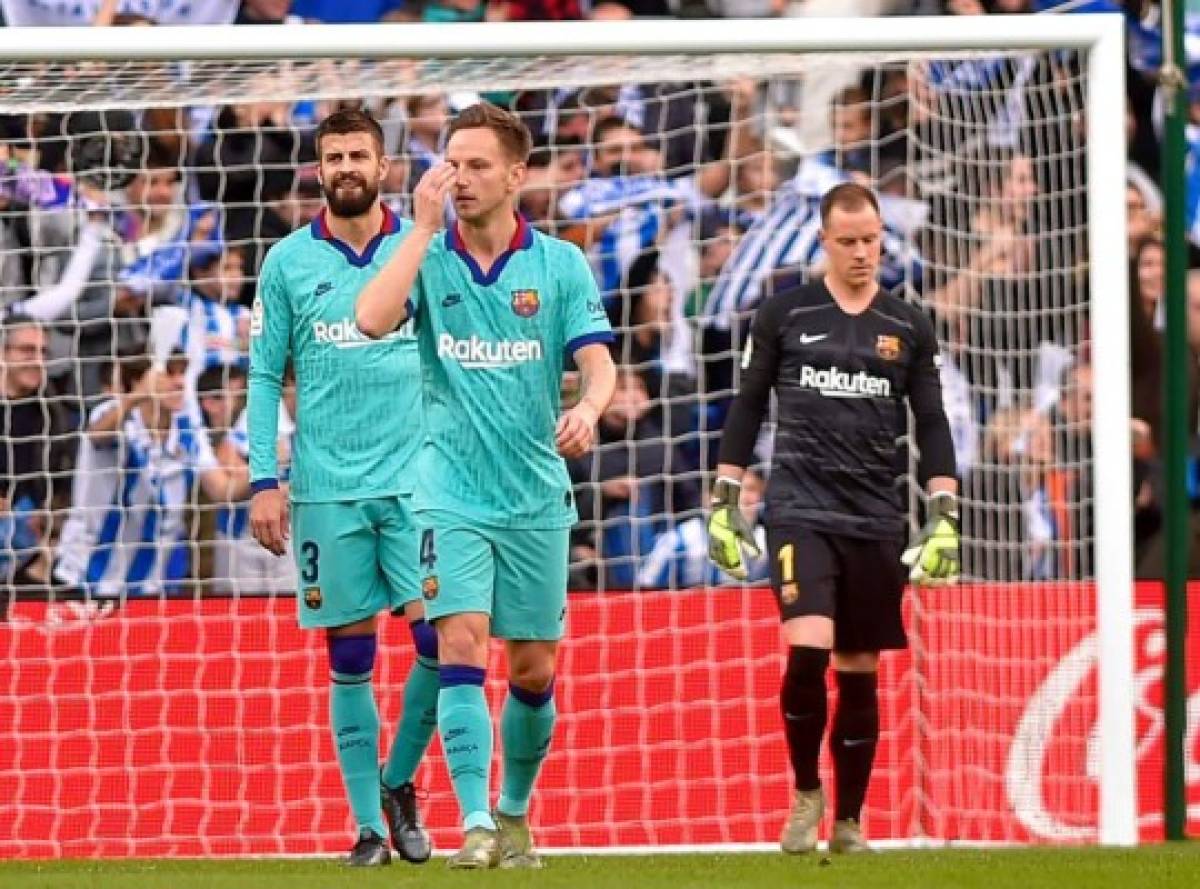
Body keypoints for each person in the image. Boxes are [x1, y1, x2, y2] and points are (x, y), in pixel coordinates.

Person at [355, 102, 616, 869]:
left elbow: (598, 362)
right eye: (450, 163)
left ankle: (511, 811)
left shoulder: (559, 264)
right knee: (458, 641)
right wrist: (422, 229)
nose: (458, 178)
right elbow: (371, 318)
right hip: (447, 490)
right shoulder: (427, 254)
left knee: (533, 669)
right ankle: (471, 819)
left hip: (534, 495)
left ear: (516, 174)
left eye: (475, 165)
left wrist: (591, 407)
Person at [707, 182, 959, 855]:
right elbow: (749, 403)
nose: (860, 252)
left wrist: (944, 513)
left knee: (858, 667)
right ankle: (804, 791)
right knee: (808, 647)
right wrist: (726, 498)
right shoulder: (786, 313)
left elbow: (931, 420)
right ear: (824, 240)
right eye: (846, 240)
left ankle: (848, 818)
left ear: (882, 237)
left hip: (876, 516)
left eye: (870, 239)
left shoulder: (907, 323)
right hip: (798, 510)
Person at [246, 108, 436, 868]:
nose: (348, 165)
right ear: (319, 169)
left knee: (439, 638)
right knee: (350, 655)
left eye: (360, 153)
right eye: (334, 155)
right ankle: (366, 826)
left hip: (419, 481)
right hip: (326, 487)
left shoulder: (421, 250)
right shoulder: (288, 261)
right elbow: (264, 373)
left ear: (384, 166)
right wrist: (266, 478)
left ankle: (398, 780)